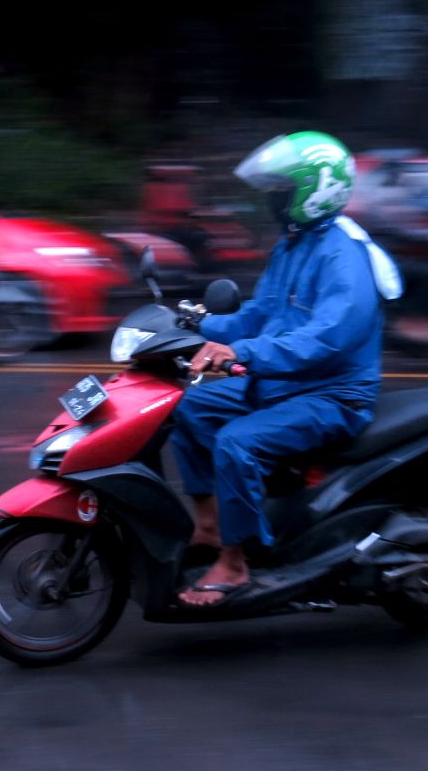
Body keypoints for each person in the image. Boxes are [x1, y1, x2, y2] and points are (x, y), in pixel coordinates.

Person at [171, 131, 402, 607]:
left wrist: (244, 355)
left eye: (281, 188)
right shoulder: (294, 244)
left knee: (238, 443)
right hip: (284, 382)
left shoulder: (344, 256)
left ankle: (235, 565)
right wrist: (202, 324)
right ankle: (211, 527)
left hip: (332, 395)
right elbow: (262, 313)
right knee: (189, 406)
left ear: (314, 189)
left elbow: (327, 339)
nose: (272, 197)